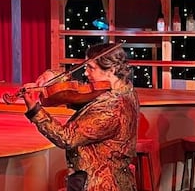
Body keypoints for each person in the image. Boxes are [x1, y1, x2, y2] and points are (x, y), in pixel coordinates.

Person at [21, 43, 139, 191]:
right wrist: (53, 76)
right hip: (112, 178)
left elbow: (66, 137)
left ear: (112, 70)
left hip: (98, 184)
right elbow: (79, 97)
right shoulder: (125, 89)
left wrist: (34, 110)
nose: (86, 73)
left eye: (91, 68)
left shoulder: (112, 108)